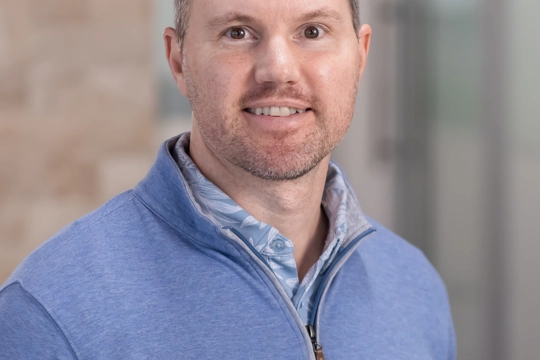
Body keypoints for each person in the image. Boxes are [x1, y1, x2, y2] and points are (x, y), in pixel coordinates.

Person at [0, 0, 456, 358]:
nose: (278, 69)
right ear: (178, 60)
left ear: (360, 55)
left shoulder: (414, 285)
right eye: (237, 32)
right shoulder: (49, 313)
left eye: (312, 31)